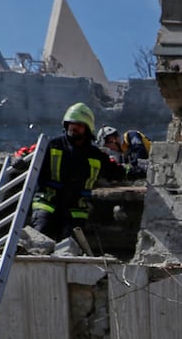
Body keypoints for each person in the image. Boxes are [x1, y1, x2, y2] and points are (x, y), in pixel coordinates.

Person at [14, 102, 125, 243]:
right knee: (39, 241)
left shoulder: (95, 154)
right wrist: (18, 159)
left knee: (69, 248)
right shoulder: (52, 144)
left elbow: (117, 171)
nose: (74, 127)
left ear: (87, 128)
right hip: (47, 204)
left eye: (79, 124)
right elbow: (25, 153)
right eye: (71, 123)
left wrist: (144, 170)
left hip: (76, 209)